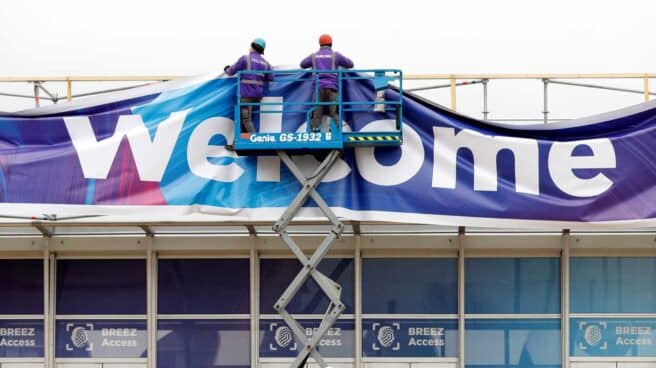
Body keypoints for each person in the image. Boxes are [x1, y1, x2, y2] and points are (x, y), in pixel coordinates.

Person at [224, 38, 273, 148]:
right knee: (243, 118)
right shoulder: (266, 63)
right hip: (258, 96)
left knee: (246, 119)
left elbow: (231, 71)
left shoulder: (245, 59)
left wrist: (226, 69)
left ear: (252, 47)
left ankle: (255, 140)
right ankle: (236, 143)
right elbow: (271, 77)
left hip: (246, 94)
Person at [300, 34, 354, 132]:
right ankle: (338, 131)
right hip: (332, 87)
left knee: (317, 112)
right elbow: (350, 64)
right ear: (331, 43)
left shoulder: (314, 56)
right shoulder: (335, 55)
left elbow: (302, 64)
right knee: (334, 112)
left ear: (319, 44)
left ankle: (315, 131)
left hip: (318, 87)